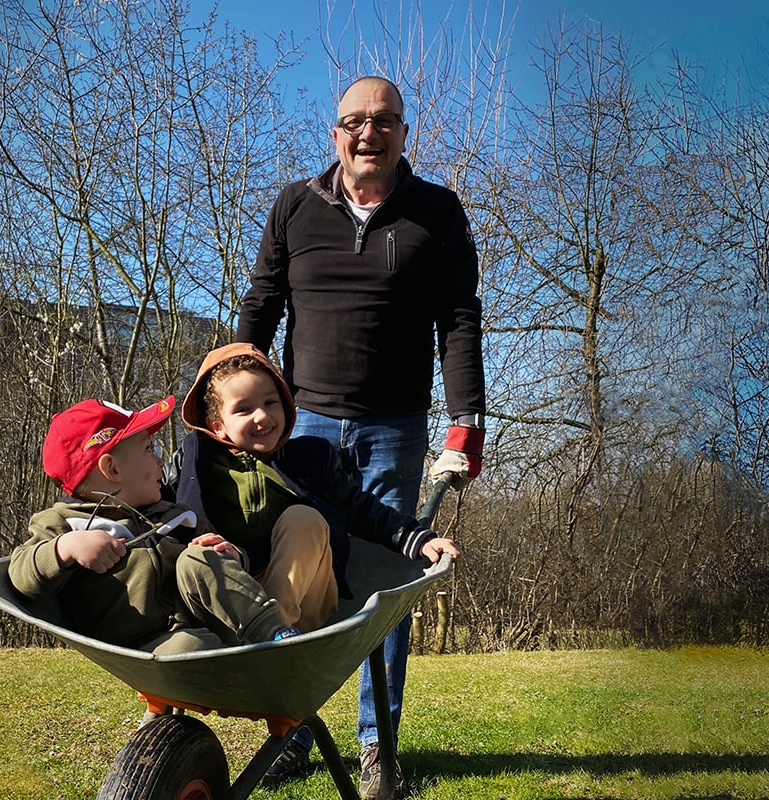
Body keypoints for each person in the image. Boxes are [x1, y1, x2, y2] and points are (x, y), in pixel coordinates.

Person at [235, 75, 487, 798]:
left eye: (383, 121)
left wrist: (465, 419)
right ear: (334, 134)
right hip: (300, 426)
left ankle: (378, 748)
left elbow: (459, 319)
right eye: (354, 121)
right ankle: (292, 730)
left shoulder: (437, 213)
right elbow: (262, 303)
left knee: (384, 588)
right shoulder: (295, 206)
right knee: (296, 574)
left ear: (404, 132)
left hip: (394, 428)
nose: (367, 133)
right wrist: (226, 395)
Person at [173, 342, 460, 787]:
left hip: (304, 597)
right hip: (237, 601)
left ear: (287, 406)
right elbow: (170, 513)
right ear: (218, 424)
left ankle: (278, 645)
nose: (262, 416)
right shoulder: (199, 462)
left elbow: (364, 509)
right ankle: (255, 637)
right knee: (197, 554)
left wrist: (417, 539)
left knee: (303, 518)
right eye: (244, 408)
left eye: (271, 402)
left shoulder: (309, 459)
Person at [8, 395, 299, 655]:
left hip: (207, 619)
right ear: (112, 469)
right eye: (149, 449)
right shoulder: (66, 523)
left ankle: (276, 636)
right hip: (145, 644)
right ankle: (241, 668)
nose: (161, 461)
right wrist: (64, 548)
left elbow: (230, 559)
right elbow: (20, 573)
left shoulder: (175, 514)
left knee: (200, 556)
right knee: (191, 648)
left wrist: (233, 554)